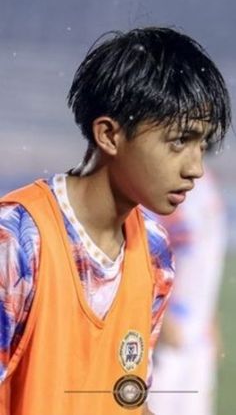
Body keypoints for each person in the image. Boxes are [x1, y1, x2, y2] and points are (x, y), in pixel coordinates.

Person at [0, 27, 231, 415]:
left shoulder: (155, 253)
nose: (195, 168)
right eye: (179, 141)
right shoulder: (18, 242)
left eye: (202, 146)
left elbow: (126, 400)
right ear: (109, 134)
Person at [148, 163, 227, 415]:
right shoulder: (158, 182)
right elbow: (139, 249)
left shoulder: (206, 183)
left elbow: (206, 256)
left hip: (198, 337)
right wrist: (160, 316)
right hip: (164, 335)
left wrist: (210, 317)